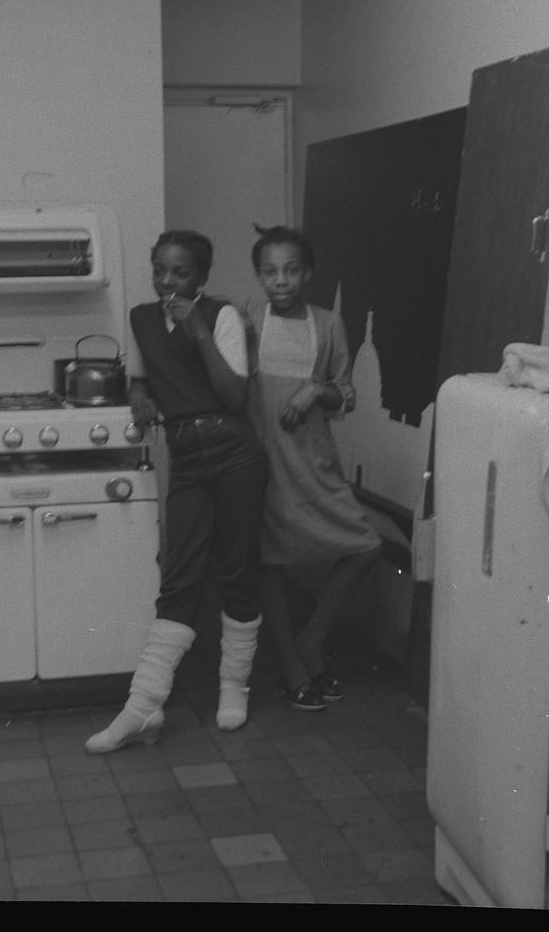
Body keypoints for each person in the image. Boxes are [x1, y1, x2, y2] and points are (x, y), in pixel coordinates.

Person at [85, 229, 267, 754]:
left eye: (181, 272)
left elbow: (234, 396)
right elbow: (144, 375)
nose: (168, 281)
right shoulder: (142, 319)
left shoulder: (222, 315)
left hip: (234, 452)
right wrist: (139, 391)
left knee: (236, 568)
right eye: (160, 269)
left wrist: (200, 334)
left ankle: (234, 688)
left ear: (202, 277)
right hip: (187, 457)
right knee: (180, 574)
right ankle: (142, 707)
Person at [243, 224, 382, 711]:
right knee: (272, 562)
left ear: (308, 273)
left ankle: (310, 641)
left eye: (291, 270)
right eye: (270, 271)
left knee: (366, 545)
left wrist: (314, 391)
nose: (281, 280)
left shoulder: (328, 324)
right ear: (259, 276)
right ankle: (292, 664)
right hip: (263, 458)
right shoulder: (246, 319)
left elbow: (345, 393)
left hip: (313, 457)